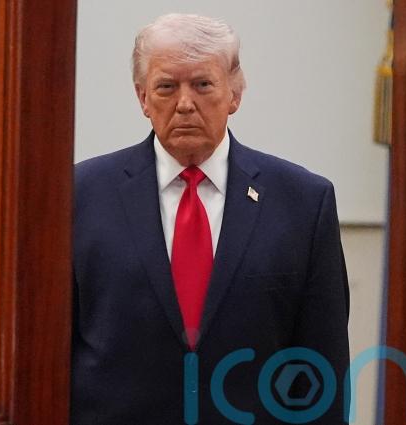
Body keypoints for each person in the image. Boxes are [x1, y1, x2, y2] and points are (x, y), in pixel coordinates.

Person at [72, 13, 350, 424]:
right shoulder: (80, 196)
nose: (185, 103)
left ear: (235, 94)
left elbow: (322, 368)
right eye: (167, 87)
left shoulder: (304, 203)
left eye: (203, 84)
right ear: (143, 98)